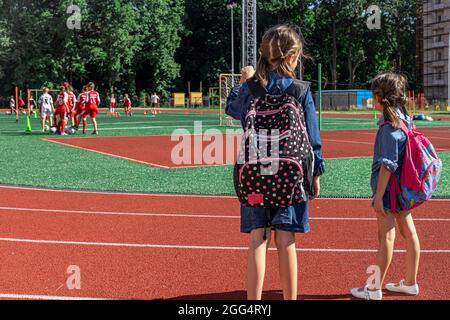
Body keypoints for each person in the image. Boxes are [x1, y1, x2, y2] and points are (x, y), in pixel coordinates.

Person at [226, 25, 324, 300]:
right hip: (289, 173)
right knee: (286, 238)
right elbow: (313, 137)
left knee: (258, 236)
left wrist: (244, 81)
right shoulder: (300, 89)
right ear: (292, 57)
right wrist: (316, 173)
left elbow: (231, 108)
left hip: (255, 170)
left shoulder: (250, 89)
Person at [351, 73, 421, 300]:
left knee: (386, 238)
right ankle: (410, 283)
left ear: (380, 96)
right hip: (403, 188)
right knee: (409, 232)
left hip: (390, 191)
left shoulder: (388, 128)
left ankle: (373, 289)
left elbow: (387, 166)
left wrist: (379, 196)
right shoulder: (405, 120)